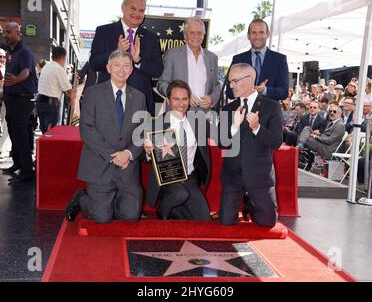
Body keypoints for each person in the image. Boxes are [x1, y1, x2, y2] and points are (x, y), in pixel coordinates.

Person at [65, 50, 147, 223]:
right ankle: (82, 199)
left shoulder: (139, 97)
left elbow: (143, 131)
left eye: (126, 66)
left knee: (130, 216)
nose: (122, 69)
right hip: (100, 164)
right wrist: (112, 156)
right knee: (102, 218)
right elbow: (86, 130)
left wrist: (129, 154)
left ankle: (112, 203)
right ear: (108, 68)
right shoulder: (93, 94)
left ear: (131, 70)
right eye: (117, 65)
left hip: (127, 166)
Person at [219, 63, 283, 227]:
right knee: (225, 222)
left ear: (249, 80)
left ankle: (251, 204)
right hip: (233, 175)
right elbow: (221, 142)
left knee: (268, 223)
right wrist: (234, 126)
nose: (231, 85)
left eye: (234, 81)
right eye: (230, 81)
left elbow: (276, 142)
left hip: (259, 174)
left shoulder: (272, 107)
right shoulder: (228, 109)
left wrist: (257, 128)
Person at [144, 80, 212, 221]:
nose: (181, 104)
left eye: (184, 99)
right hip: (167, 179)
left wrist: (235, 125)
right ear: (168, 100)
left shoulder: (198, 122)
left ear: (189, 100)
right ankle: (163, 209)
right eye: (176, 99)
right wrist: (148, 152)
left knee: (204, 220)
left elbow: (222, 138)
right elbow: (142, 154)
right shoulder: (156, 125)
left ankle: (175, 210)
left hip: (190, 178)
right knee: (180, 194)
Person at [89, 0, 163, 115]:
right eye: (133, 8)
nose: (137, 14)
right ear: (123, 7)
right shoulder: (104, 31)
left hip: (139, 105)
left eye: (141, 10)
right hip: (107, 101)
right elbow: (94, 63)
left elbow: (158, 70)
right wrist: (116, 52)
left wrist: (138, 61)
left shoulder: (151, 38)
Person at [157, 17, 221, 112]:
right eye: (192, 33)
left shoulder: (212, 58)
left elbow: (216, 86)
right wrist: (183, 97)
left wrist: (212, 98)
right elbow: (161, 84)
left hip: (203, 114)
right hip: (176, 113)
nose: (196, 36)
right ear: (185, 35)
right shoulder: (172, 54)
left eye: (199, 33)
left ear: (204, 35)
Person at [1, 22, 38, 184]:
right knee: (14, 133)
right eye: (3, 32)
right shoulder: (11, 52)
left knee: (20, 135)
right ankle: (17, 163)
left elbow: (26, 72)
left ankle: (27, 172)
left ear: (18, 33)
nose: (5, 35)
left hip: (22, 100)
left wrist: (16, 79)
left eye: (9, 32)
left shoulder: (24, 52)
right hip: (11, 99)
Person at [226, 19, 289, 102]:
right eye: (254, 33)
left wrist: (265, 90)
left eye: (261, 32)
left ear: (268, 34)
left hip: (269, 112)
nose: (257, 36)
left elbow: (284, 92)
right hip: (242, 112)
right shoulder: (238, 59)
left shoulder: (279, 59)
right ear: (248, 36)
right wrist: (242, 88)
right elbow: (229, 92)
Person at [36, 46, 72, 134]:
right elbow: (68, 90)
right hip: (50, 105)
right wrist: (71, 100)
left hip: (40, 102)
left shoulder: (45, 67)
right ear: (63, 57)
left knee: (44, 131)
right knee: (51, 132)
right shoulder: (59, 69)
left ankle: (43, 147)